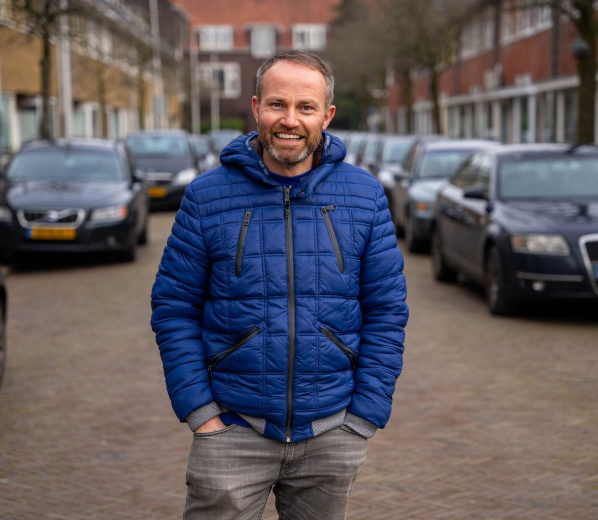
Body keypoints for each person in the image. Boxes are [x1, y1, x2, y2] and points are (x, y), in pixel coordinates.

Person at [151, 50, 408, 520]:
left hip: (332, 433)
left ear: (326, 115)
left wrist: (364, 416)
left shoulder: (364, 195)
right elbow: (174, 308)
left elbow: (387, 309)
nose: (290, 120)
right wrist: (201, 413)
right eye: (277, 105)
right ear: (255, 108)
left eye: (305, 107)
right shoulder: (207, 195)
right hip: (231, 429)